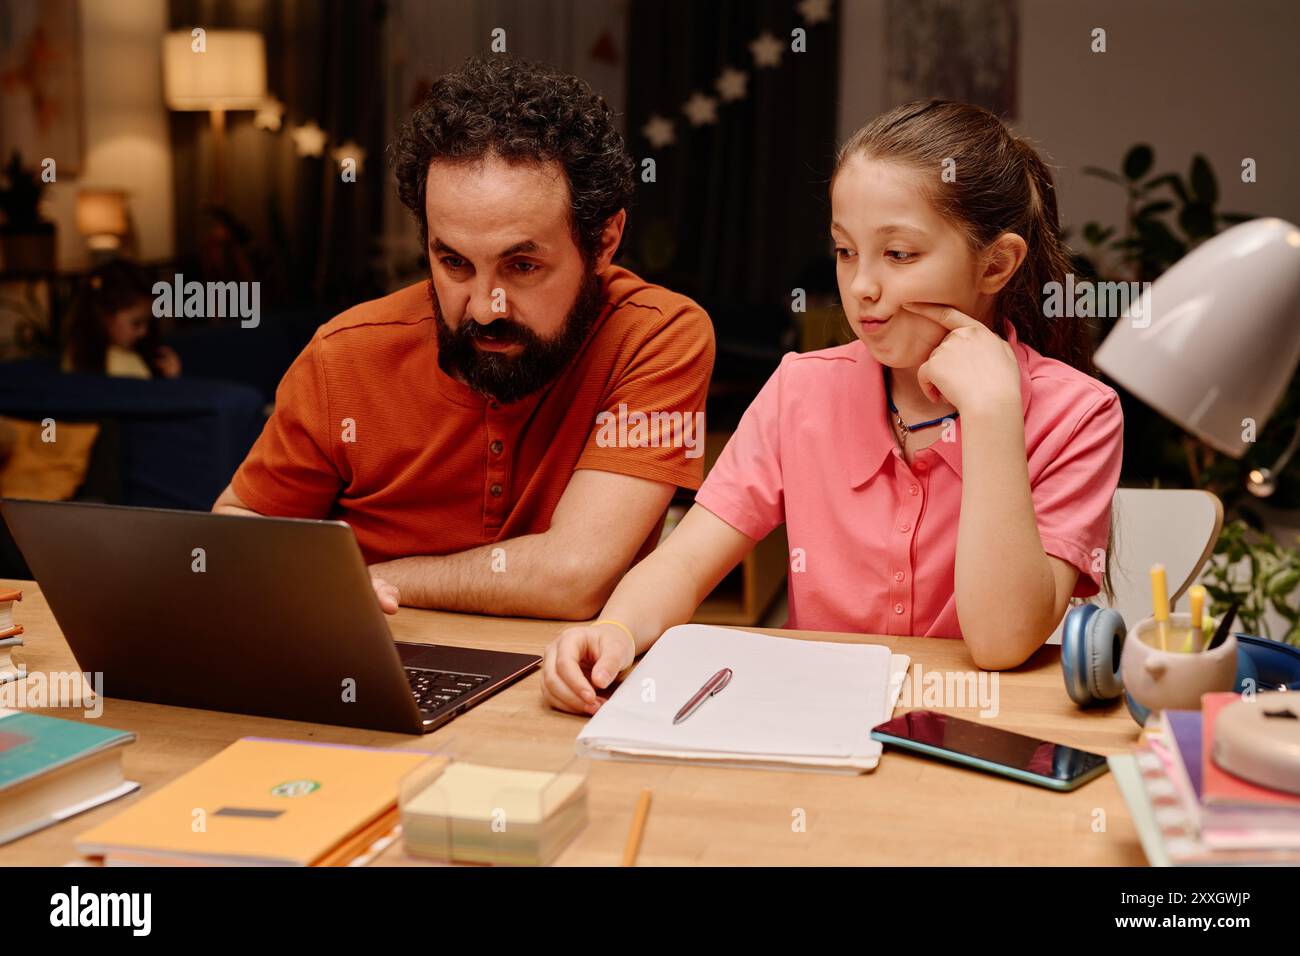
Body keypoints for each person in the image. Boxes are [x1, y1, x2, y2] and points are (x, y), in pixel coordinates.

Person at [542, 99, 1124, 715]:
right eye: (846, 252)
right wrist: (619, 630)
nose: (862, 286)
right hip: (815, 730)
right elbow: (685, 564)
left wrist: (992, 414)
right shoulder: (802, 389)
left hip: (978, 738)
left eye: (899, 254)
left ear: (996, 264)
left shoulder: (1079, 415)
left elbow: (1002, 641)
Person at [213, 55, 715, 621]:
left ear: (603, 241)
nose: (483, 307)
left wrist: (359, 579)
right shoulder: (344, 353)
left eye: (522, 266)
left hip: (563, 683)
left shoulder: (657, 336)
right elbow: (238, 529)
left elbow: (574, 576)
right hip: (373, 665)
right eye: (452, 262)